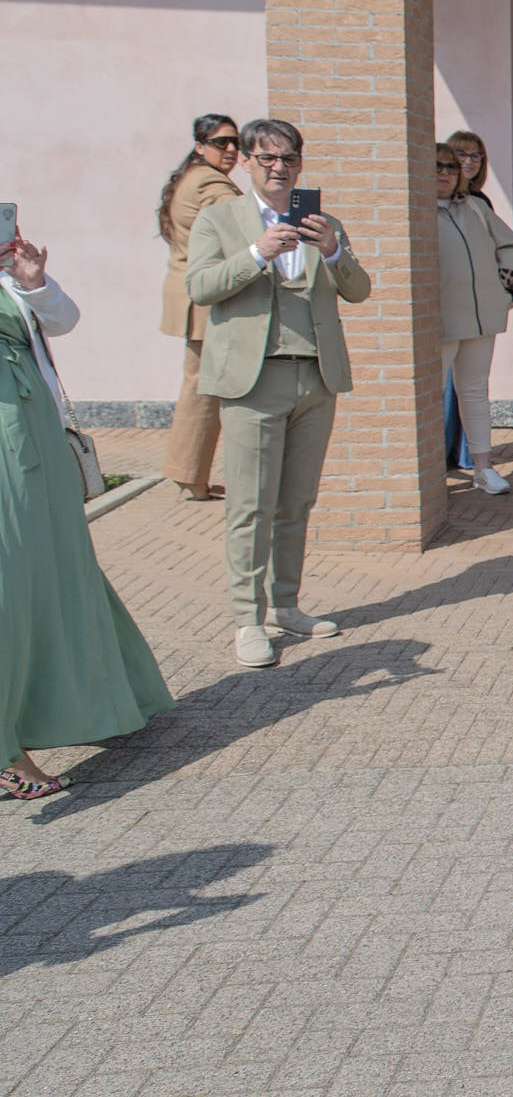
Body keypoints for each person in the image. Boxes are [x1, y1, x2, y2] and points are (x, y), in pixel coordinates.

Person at [186, 118, 372, 669]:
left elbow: (359, 291)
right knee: (250, 505)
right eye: (266, 157)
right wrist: (257, 252)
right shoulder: (219, 218)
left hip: (315, 375)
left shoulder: (323, 220)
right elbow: (201, 287)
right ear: (245, 161)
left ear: (300, 163)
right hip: (253, 377)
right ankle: (247, 617)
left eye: (287, 157)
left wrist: (335, 252)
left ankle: (286, 604)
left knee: (296, 501)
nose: (277, 167)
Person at [1, 233, 173, 800]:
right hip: (10, 453)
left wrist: (32, 281)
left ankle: (98, 701)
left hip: (37, 444)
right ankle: (9, 752)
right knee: (14, 588)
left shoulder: (9, 277)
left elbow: (63, 320)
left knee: (63, 570)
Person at [157, 112, 244, 501]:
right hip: (204, 301)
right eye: (220, 143)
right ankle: (191, 478)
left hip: (190, 296)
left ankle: (190, 475)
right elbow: (245, 223)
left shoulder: (189, 178)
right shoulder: (210, 182)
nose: (230, 150)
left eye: (235, 143)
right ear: (200, 146)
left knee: (198, 386)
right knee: (203, 390)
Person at [435, 142, 513, 495]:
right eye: (436, 167)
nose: (444, 173)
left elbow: (512, 245)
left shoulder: (474, 208)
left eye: (449, 167)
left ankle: (483, 468)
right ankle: (432, 472)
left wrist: (505, 292)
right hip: (441, 319)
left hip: (480, 318)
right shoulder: (416, 210)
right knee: (431, 395)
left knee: (474, 391)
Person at [442, 130, 496, 473]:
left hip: (477, 310)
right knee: (447, 386)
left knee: (472, 386)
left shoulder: (481, 204)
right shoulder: (440, 204)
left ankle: (472, 459)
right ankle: (445, 454)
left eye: (475, 156)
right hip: (449, 309)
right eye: (462, 155)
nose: (469, 162)